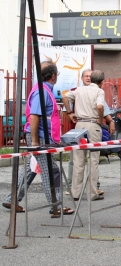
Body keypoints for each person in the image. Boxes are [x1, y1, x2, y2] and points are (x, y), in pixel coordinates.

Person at [2, 61, 75, 216]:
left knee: (31, 169)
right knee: (51, 170)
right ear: (53, 75)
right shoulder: (42, 92)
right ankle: (56, 205)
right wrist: (35, 142)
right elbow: (34, 116)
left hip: (41, 137)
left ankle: (12, 199)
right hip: (40, 138)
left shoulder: (44, 91)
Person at [63, 69, 115, 196]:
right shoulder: (99, 91)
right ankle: (92, 193)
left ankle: (75, 192)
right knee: (93, 160)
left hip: (79, 125)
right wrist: (100, 118)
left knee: (78, 160)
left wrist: (70, 112)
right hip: (93, 125)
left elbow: (64, 97)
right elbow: (100, 106)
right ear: (102, 81)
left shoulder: (79, 90)